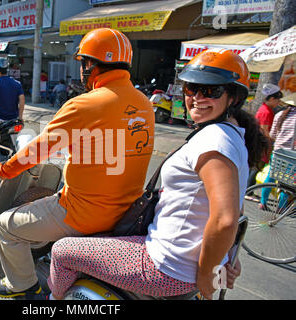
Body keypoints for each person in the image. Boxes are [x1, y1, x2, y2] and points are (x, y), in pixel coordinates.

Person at [46, 48, 270, 300]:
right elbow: (234, 209)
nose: (197, 98)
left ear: (234, 98)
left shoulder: (214, 140)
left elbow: (225, 221)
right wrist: (223, 262)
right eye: (191, 89)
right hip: (179, 263)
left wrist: (207, 278)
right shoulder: (233, 135)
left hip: (164, 266)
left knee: (62, 251)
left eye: (210, 91)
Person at [0, 28, 154, 298]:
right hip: (127, 213)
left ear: (91, 65)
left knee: (5, 225)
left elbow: (36, 151)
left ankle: (24, 288)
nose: (82, 70)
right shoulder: (143, 104)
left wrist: (2, 170)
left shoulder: (84, 104)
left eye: (83, 63)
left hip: (82, 213)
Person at [259, 92, 296, 209]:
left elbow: (273, 135)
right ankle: (281, 206)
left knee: (271, 175)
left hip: (278, 151)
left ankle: (262, 202)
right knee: (288, 181)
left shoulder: (280, 114)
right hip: (292, 153)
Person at [247, 84, 283, 188]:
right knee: (256, 166)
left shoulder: (266, 109)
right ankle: (249, 188)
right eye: (277, 100)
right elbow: (265, 131)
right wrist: (274, 141)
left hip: (259, 143)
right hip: (261, 144)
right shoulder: (266, 111)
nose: (278, 103)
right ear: (272, 98)